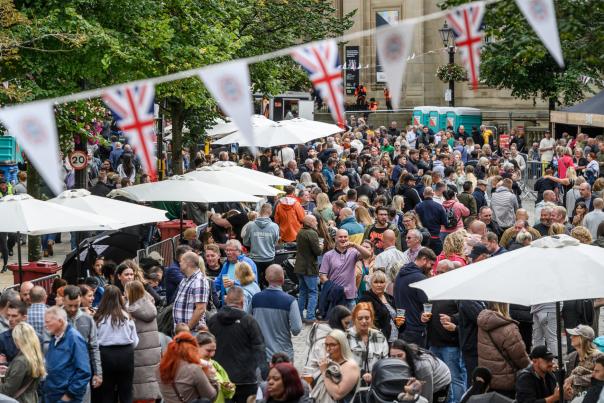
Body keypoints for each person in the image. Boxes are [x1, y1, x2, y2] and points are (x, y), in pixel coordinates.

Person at [208, 287, 266, 403]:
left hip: (221, 379)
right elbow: (259, 348)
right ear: (242, 302)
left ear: (226, 300)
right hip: (246, 379)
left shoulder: (213, 320)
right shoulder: (249, 321)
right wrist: (263, 372)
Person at [94, 285, 139, 403]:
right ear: (120, 298)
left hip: (105, 355)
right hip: (126, 354)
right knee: (126, 391)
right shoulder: (126, 317)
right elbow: (135, 340)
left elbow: (95, 340)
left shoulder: (99, 318)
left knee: (107, 391)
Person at [476, 302, 530, 397]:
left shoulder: (483, 323)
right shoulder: (508, 328)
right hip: (506, 381)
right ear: (505, 306)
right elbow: (521, 359)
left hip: (488, 380)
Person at [251, 264, 302, 362]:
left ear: (266, 278)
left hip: (260, 355)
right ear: (283, 279)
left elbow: (247, 321)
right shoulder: (290, 301)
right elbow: (296, 329)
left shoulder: (256, 299)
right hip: (283, 355)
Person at [43, 306, 92, 403]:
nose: (45, 325)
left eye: (48, 322)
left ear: (60, 321)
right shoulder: (55, 337)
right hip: (53, 394)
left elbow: (84, 372)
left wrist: (69, 395)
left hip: (66, 397)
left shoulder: (74, 338)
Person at [62, 285, 103, 399]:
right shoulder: (56, 317)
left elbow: (94, 347)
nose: (73, 309)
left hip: (82, 374)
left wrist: (98, 373)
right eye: (70, 305)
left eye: (76, 305)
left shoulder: (88, 319)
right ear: (63, 300)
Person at [125, 280, 161, 403]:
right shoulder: (150, 305)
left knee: (140, 386)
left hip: (139, 353)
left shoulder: (130, 310)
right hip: (153, 353)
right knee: (151, 382)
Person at [157, 332, 217, 403]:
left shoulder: (159, 368)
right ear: (192, 349)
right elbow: (211, 396)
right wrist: (212, 378)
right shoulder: (193, 369)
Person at [320, 229, 372, 310]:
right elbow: (322, 276)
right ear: (335, 239)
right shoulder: (328, 255)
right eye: (340, 237)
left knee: (352, 322)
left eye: (345, 237)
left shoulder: (353, 252)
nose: (343, 239)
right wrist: (333, 288)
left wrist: (355, 245)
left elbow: (368, 255)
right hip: (335, 296)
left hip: (350, 297)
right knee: (335, 322)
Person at [394, 247, 437, 347]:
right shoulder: (420, 278)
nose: (431, 268)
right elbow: (428, 304)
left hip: (402, 327)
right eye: (431, 264)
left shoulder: (400, 274)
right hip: (416, 330)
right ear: (424, 259)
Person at [302, 306, 352, 381]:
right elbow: (328, 365)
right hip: (316, 379)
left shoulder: (322, 331)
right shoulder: (326, 340)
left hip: (313, 375)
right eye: (346, 323)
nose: (348, 327)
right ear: (338, 321)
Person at [310, 329, 360, 403]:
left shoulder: (350, 366)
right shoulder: (328, 363)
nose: (328, 349)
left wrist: (324, 371)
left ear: (342, 345)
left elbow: (337, 394)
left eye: (332, 345)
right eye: (326, 345)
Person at [0, 322, 45, 403]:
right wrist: (9, 371)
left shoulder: (21, 361)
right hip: (31, 398)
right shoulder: (35, 357)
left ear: (19, 339)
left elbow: (6, 391)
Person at [346, 302, 389, 381]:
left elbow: (385, 362)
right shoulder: (346, 336)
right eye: (360, 318)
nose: (364, 321)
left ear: (372, 318)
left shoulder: (379, 336)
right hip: (351, 383)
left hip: (375, 383)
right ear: (354, 319)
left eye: (367, 318)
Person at [358, 270, 404, 342]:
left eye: (381, 282)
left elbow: (395, 318)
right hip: (377, 339)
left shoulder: (390, 298)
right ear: (371, 284)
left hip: (395, 339)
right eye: (376, 282)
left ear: (385, 284)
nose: (379, 285)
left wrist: (400, 322)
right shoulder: (365, 299)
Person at [294, 215, 323, 323]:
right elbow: (318, 252)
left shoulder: (300, 232)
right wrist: (321, 245)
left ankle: (299, 315)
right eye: (315, 221)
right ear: (310, 223)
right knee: (313, 292)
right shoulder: (312, 233)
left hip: (300, 266)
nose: (317, 223)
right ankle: (310, 316)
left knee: (302, 292)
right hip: (309, 268)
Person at [243, 203, 280, 284]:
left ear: (260, 212)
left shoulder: (251, 225)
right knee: (270, 283)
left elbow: (245, 242)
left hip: (255, 259)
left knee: (255, 283)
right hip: (269, 258)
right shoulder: (275, 226)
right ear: (270, 212)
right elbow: (276, 243)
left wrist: (255, 244)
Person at [564, 325, 604, 400]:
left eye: (574, 335)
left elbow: (600, 377)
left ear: (583, 338)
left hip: (592, 398)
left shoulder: (598, 356)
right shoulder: (571, 356)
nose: (571, 337)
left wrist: (574, 379)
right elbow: (566, 378)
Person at [173, 251, 209, 331]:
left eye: (181, 261)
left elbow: (200, 309)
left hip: (192, 332)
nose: (179, 263)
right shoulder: (185, 279)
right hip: (181, 331)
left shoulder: (199, 281)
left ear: (188, 263)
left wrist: (187, 328)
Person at [196, 332, 235, 403]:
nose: (212, 354)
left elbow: (228, 393)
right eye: (208, 350)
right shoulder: (190, 367)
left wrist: (228, 388)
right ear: (196, 346)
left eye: (214, 350)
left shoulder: (215, 364)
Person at [415, 188, 447, 255]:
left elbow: (416, 221)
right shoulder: (439, 206)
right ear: (433, 194)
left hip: (422, 238)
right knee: (436, 260)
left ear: (423, 194)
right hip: (435, 237)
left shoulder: (418, 206)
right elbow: (445, 222)